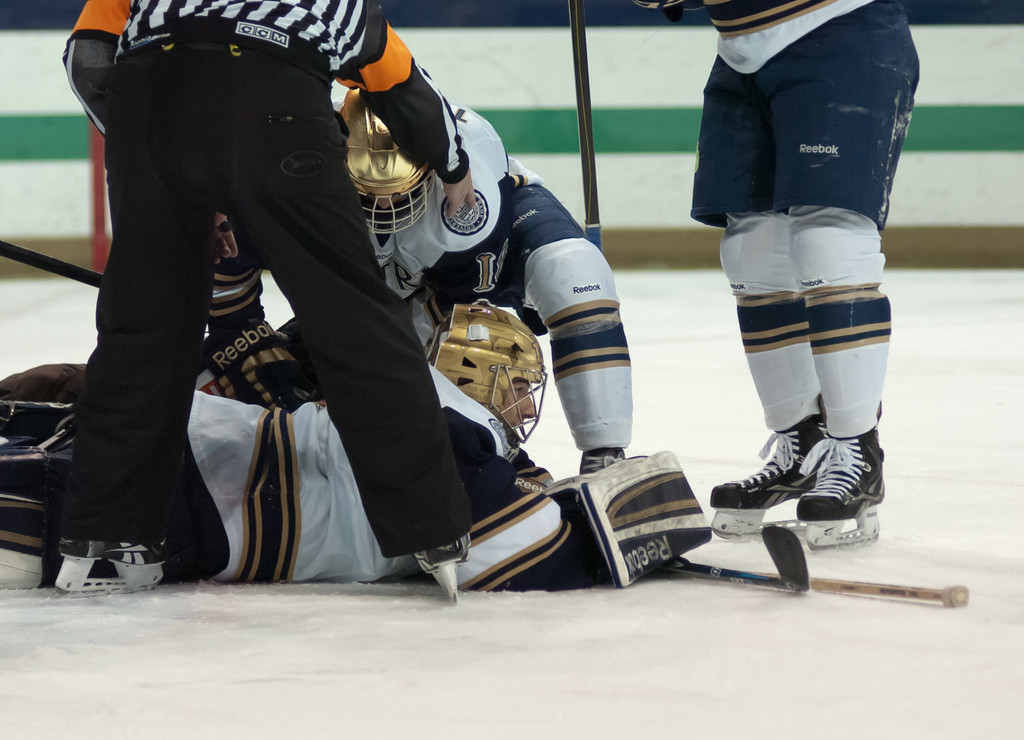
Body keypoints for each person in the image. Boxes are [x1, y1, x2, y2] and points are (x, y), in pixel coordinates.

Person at [58, 0, 480, 597]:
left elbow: (90, 61)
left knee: (143, 325)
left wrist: (154, 151)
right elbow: (404, 86)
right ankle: (432, 530)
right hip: (275, 102)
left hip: (150, 100)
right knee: (353, 318)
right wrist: (453, 163)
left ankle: (102, 530)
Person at [0, 304, 710, 594]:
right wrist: (613, 524)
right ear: (477, 380)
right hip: (175, 508)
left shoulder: (395, 381)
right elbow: (534, 555)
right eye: (517, 387)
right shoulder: (462, 443)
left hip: (163, 448)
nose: (525, 407)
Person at [215, 90, 634, 475]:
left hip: (472, 251)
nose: (383, 206)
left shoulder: (471, 206)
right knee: (226, 378)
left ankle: (602, 455)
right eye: (368, 191)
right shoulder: (287, 180)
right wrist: (246, 340)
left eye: (398, 191)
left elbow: (457, 313)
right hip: (364, 275)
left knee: (568, 277)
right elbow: (226, 283)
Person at [635, 1, 919, 549]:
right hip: (740, 54)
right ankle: (800, 443)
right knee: (751, 250)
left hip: (837, 30)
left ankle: (856, 451)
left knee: (829, 237)